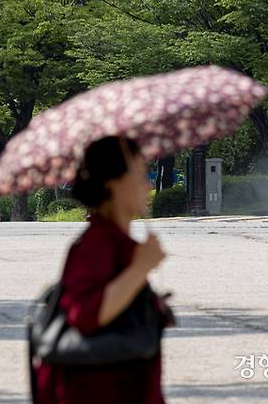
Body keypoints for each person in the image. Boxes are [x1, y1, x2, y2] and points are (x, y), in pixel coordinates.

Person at [35, 136, 169, 404]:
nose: (148, 185)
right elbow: (86, 315)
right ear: (113, 183)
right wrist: (141, 267)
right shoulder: (96, 243)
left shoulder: (120, 242)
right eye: (141, 174)